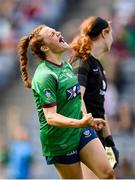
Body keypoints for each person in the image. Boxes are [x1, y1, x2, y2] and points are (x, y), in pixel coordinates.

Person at [18, 24, 115, 179]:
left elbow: (77, 98)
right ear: (44, 48)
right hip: (60, 142)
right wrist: (80, 122)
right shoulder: (45, 75)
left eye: (55, 30)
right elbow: (51, 117)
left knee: (108, 173)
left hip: (81, 130)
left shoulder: (66, 67)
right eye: (51, 34)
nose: (57, 32)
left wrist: (87, 118)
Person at [70, 16, 119, 178]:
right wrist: (88, 128)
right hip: (85, 134)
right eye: (111, 33)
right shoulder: (81, 61)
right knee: (104, 176)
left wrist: (109, 139)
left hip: (97, 135)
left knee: (108, 175)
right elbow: (77, 98)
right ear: (104, 33)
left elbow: (100, 107)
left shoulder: (97, 65)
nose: (113, 38)